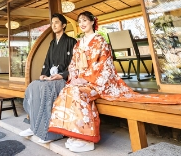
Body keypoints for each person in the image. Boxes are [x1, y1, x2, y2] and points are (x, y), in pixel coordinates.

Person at [48, 11, 181, 153]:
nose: (82, 24)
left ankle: (86, 138)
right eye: (80, 21)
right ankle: (74, 133)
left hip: (97, 82)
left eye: (85, 20)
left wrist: (86, 79)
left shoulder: (100, 41)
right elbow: (73, 65)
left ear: (93, 22)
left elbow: (105, 66)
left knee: (77, 92)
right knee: (67, 90)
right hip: (80, 81)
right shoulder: (78, 44)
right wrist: (74, 78)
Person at [19, 13, 76, 143]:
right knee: (34, 85)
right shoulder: (52, 43)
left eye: (56, 22)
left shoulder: (71, 42)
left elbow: (75, 64)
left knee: (45, 90)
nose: (53, 25)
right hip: (52, 77)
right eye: (52, 23)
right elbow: (47, 61)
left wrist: (62, 75)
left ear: (64, 25)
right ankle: (34, 126)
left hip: (64, 78)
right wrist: (44, 74)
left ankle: (50, 131)